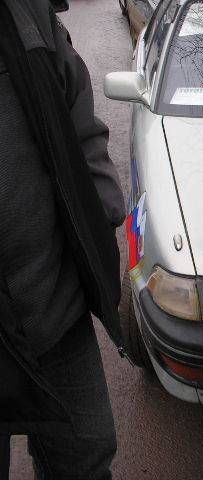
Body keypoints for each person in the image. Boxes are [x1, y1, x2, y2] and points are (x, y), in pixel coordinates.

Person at [0, 0, 126, 478]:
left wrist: (103, 204)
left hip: (55, 309)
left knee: (88, 454)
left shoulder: (25, 13)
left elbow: (79, 118)